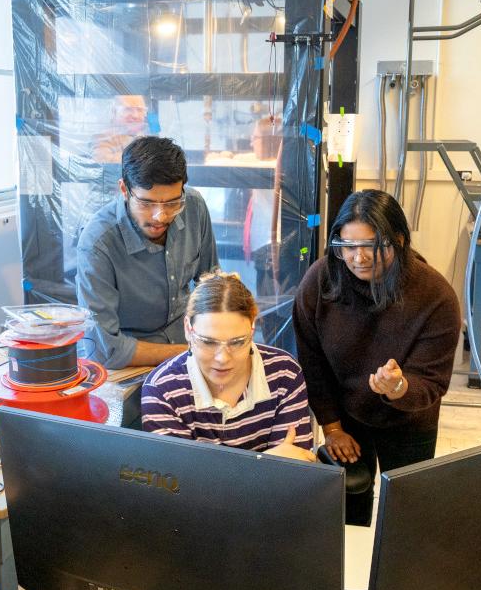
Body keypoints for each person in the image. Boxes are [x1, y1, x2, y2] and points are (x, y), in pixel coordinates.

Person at [292, 189, 461, 526]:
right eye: (347, 246)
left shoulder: (435, 296)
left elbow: (432, 383)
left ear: (398, 240)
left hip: (410, 420)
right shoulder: (320, 281)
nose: (359, 257)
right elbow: (311, 363)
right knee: (347, 510)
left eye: (372, 245)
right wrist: (332, 427)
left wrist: (398, 387)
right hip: (346, 412)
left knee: (409, 515)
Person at [77, 136, 219, 369]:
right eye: (146, 203)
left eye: (172, 203)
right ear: (124, 189)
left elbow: (211, 283)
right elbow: (103, 350)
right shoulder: (98, 244)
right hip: (132, 359)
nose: (160, 216)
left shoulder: (194, 206)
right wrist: (189, 352)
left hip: (191, 344)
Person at [141, 271, 315, 461]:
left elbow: (295, 473)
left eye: (237, 342)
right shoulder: (162, 390)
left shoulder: (284, 374)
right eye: (208, 342)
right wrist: (266, 463)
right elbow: (179, 483)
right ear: (187, 330)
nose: (223, 358)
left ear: (252, 328)